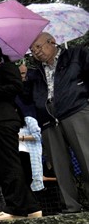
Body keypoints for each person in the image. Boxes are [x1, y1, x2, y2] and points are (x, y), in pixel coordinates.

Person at [0, 42, 42, 220]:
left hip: (4, 121)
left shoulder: (5, 68)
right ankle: (31, 207)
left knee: (7, 164)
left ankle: (15, 209)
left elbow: (16, 87)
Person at [23, 32, 89, 213]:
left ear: (52, 42)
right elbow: (27, 99)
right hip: (48, 121)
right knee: (60, 167)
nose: (36, 52)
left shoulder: (76, 55)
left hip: (75, 110)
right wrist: (23, 81)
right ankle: (71, 207)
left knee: (87, 157)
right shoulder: (35, 73)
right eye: (32, 50)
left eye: (38, 46)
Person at [18, 115, 44, 193]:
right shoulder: (8, 124)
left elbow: (37, 135)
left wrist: (20, 138)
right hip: (15, 155)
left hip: (30, 154)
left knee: (31, 180)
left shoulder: (28, 120)